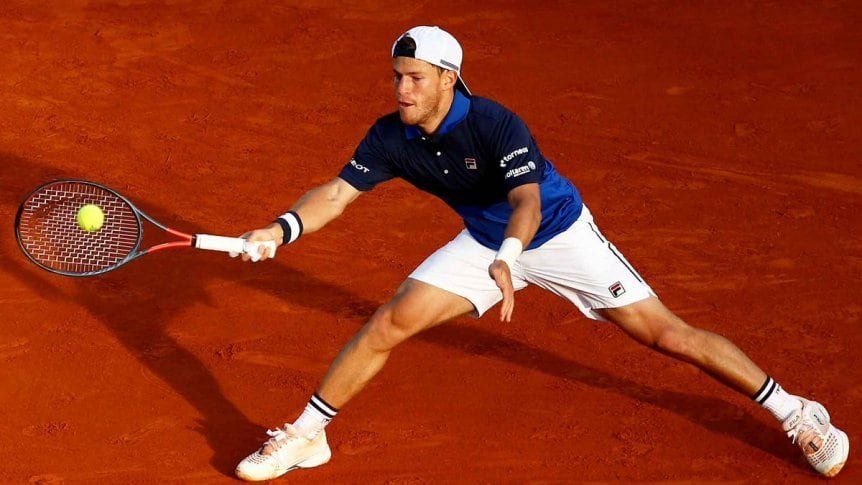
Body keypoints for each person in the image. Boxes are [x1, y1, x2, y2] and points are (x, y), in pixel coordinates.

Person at [232, 26, 848, 481]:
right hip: (483, 243)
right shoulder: (391, 135)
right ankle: (307, 437)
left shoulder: (497, 124)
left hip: (557, 234)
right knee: (389, 320)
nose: (401, 88)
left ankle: (796, 412)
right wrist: (281, 229)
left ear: (448, 78)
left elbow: (526, 202)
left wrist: (509, 254)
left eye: (415, 77)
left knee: (666, 335)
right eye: (396, 76)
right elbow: (338, 193)